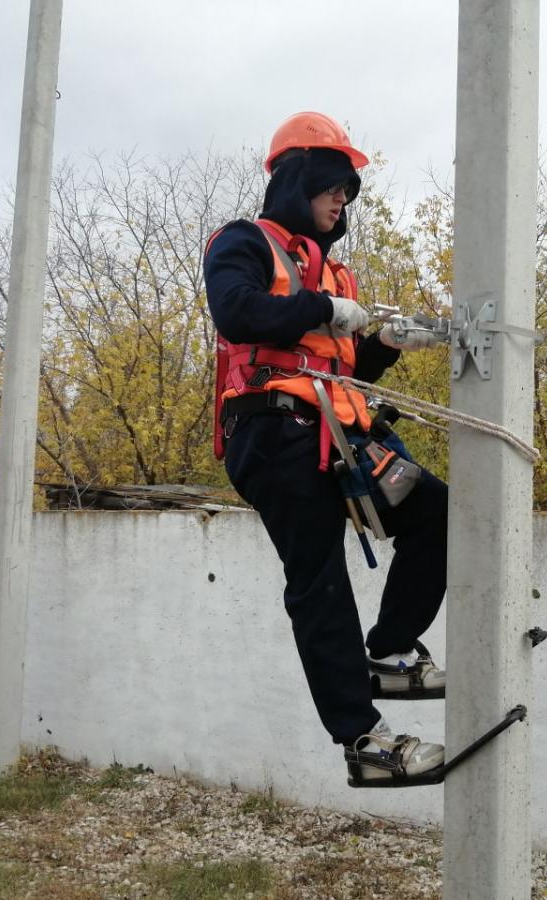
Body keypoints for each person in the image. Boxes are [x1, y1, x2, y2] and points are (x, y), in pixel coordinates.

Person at [202, 111, 448, 785]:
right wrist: (318, 310)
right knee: (320, 582)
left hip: (339, 434)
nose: (343, 201)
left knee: (437, 514)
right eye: (333, 186)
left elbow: (343, 370)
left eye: (348, 191)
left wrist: (387, 345)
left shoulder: (338, 276)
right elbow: (237, 313)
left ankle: (392, 652)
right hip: (273, 431)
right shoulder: (243, 243)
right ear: (297, 180)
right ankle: (364, 741)